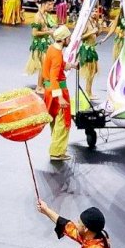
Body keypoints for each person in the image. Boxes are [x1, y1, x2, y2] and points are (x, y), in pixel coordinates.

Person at [43, 26, 77, 160]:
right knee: (63, 123)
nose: (70, 39)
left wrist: (71, 65)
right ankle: (57, 152)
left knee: (55, 122)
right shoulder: (57, 54)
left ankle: (56, 149)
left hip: (49, 91)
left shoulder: (52, 49)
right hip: (58, 91)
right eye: (68, 38)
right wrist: (61, 97)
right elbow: (54, 77)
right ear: (63, 40)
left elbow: (59, 65)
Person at [26, 0, 57, 94]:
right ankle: (39, 87)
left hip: (46, 42)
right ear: (43, 4)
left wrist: (57, 40)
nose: (51, 7)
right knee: (43, 66)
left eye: (52, 4)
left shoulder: (46, 15)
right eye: (49, 5)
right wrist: (48, 32)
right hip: (39, 44)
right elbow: (34, 33)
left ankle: (43, 85)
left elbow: (50, 28)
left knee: (47, 65)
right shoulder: (37, 16)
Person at [79, 9, 104, 100]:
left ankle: (89, 91)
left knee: (94, 70)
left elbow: (96, 35)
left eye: (96, 11)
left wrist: (100, 27)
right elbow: (80, 36)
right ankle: (88, 92)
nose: (95, 13)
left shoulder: (93, 22)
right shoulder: (86, 22)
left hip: (92, 48)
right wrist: (91, 32)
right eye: (93, 11)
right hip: (87, 49)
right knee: (90, 71)